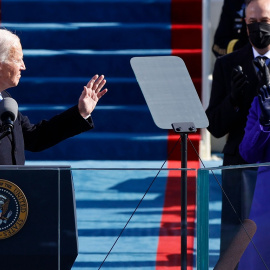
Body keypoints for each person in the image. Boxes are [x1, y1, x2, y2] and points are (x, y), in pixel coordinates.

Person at [206, 0, 270, 260]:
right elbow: (215, 127)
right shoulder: (228, 64)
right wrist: (232, 100)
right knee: (236, 247)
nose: (259, 29)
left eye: (264, 22)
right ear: (244, 25)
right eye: (252, 23)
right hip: (240, 167)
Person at [0, 28, 108, 165]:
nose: (23, 66)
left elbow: (35, 138)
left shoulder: (5, 100)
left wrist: (80, 112)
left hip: (11, 185)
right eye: (17, 60)